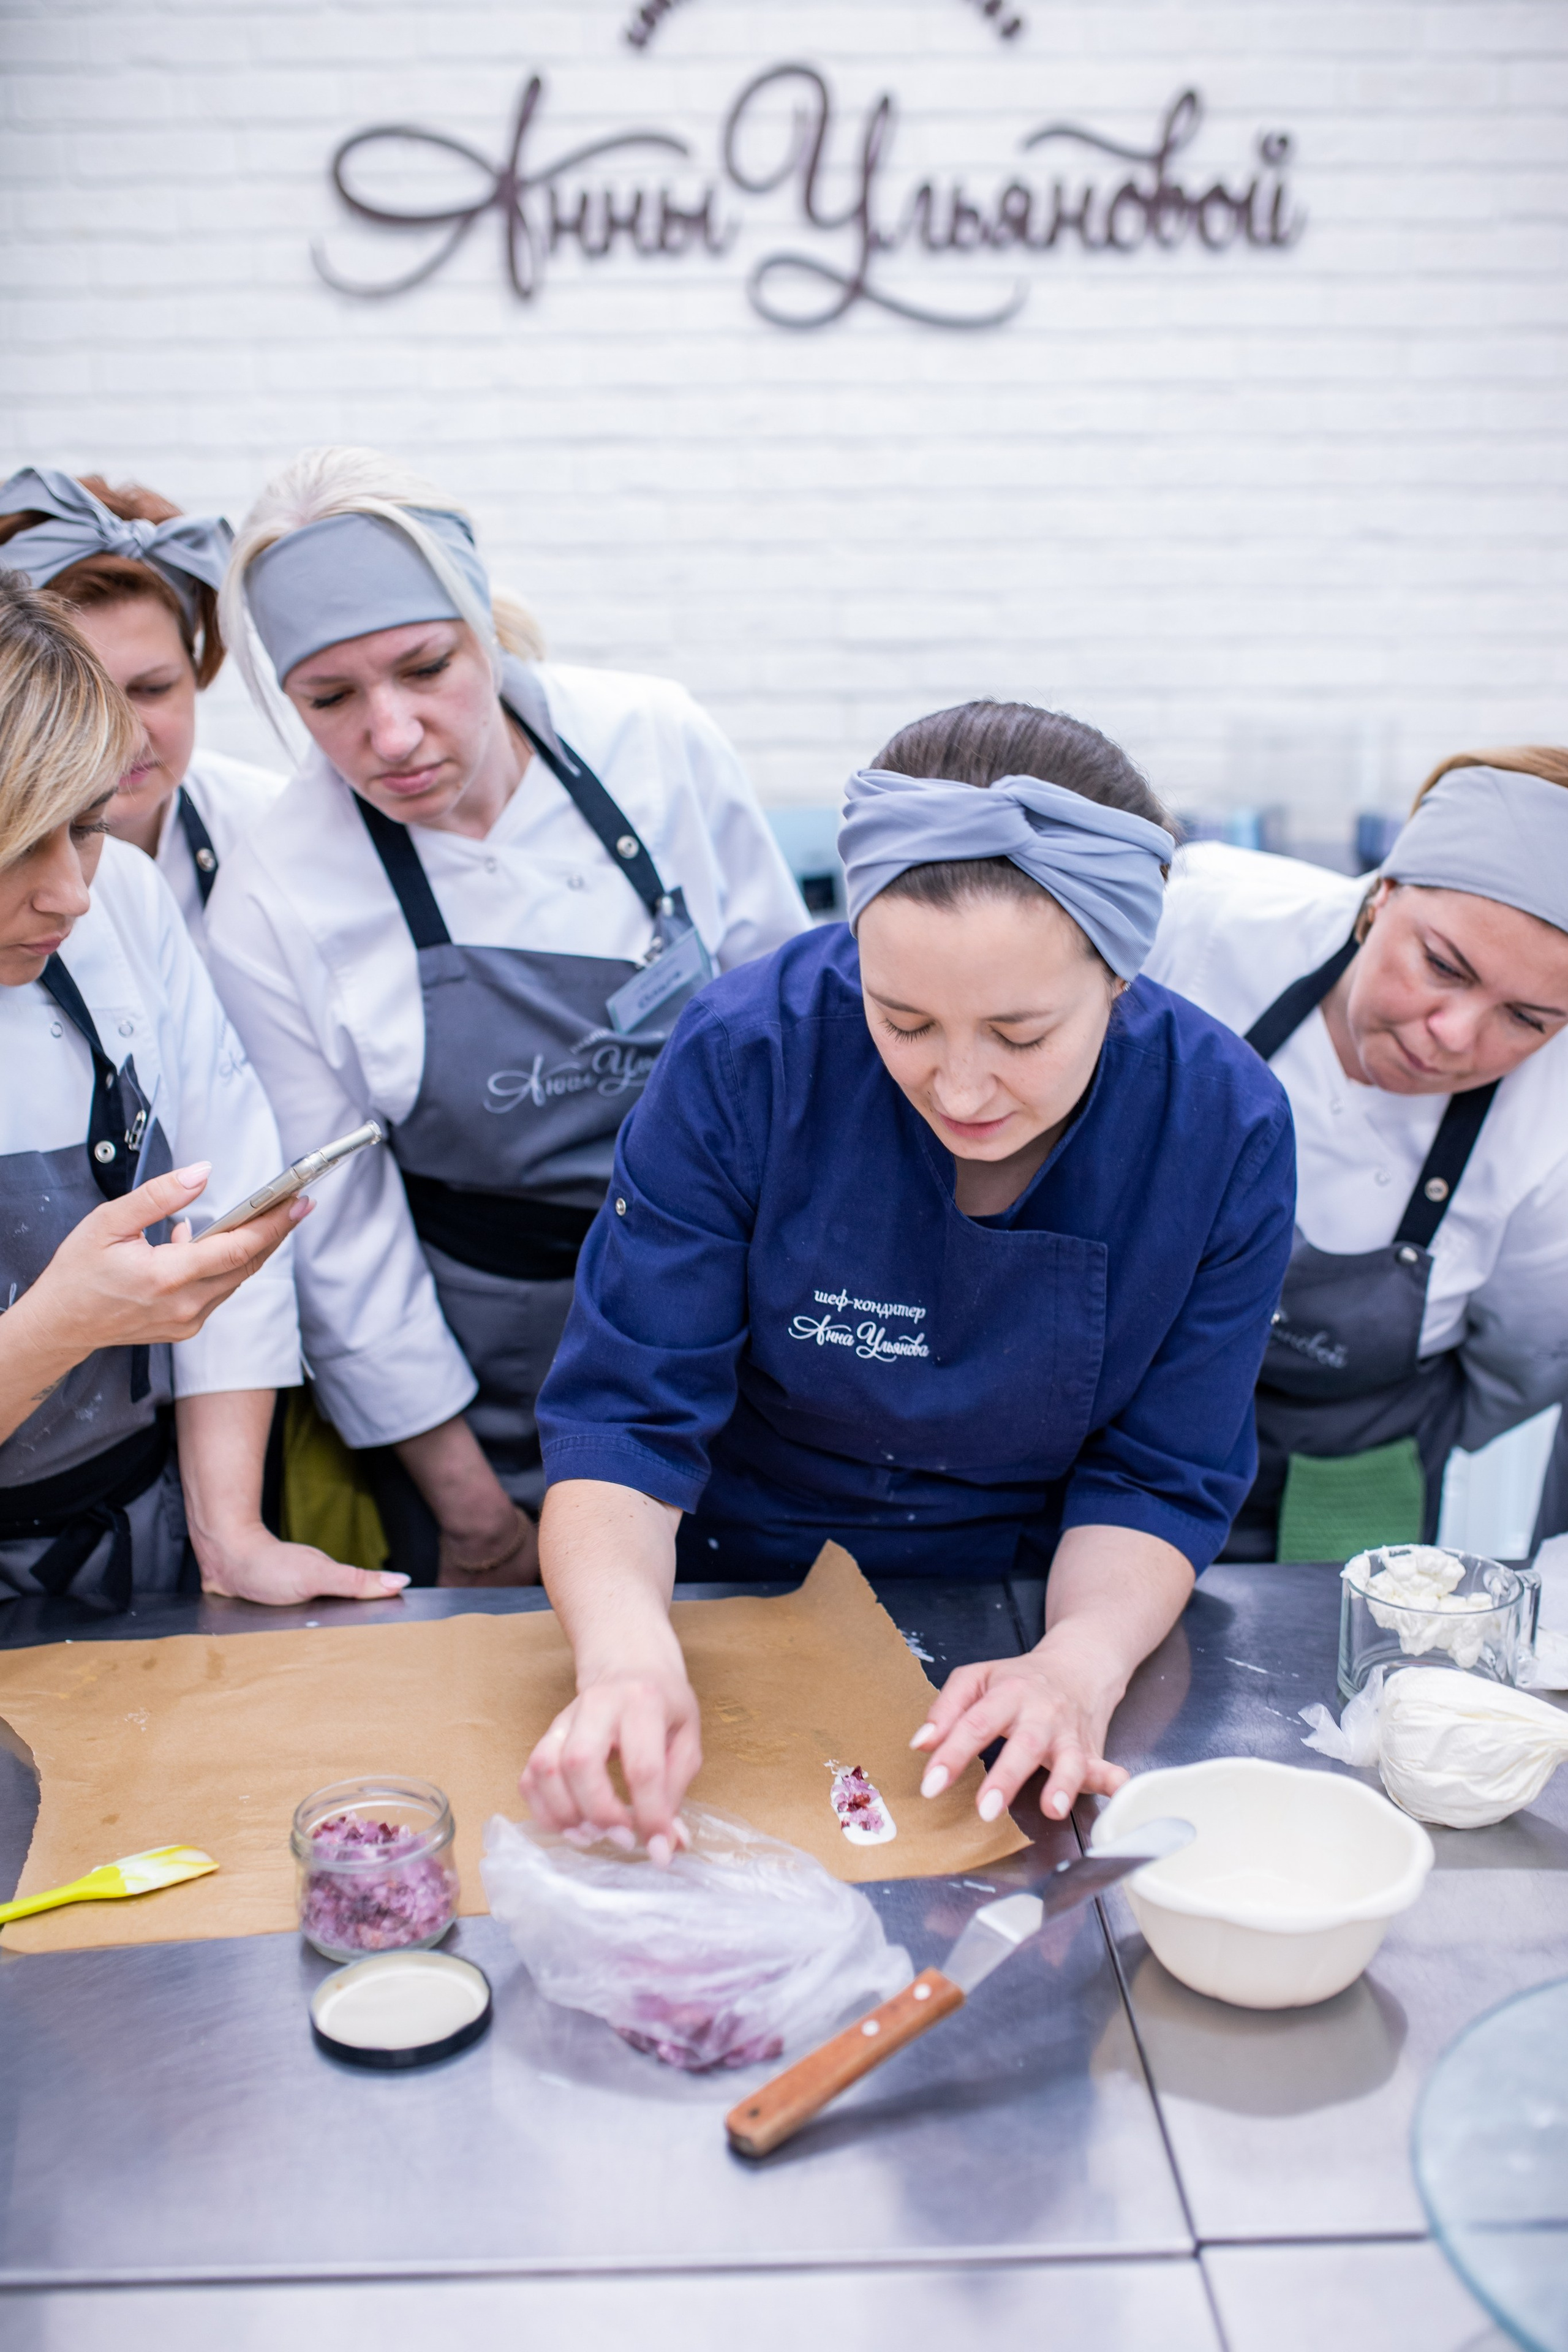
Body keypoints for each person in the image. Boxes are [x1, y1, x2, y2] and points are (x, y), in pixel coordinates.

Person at [518, 700, 1297, 1855]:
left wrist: (1074, 1667)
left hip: (1030, 1601)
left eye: (1021, 1037)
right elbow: (627, 1418)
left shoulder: (1220, 1128)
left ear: (1120, 978)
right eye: (903, 1021)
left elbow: (1159, 1473)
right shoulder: (746, 1058)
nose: (962, 1089)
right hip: (730, 1582)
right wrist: (627, 1655)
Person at [208, 447, 811, 1589]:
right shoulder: (275, 893)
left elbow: (792, 1027)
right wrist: (474, 1512)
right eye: (330, 699)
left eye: (426, 667)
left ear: (486, 629)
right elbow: (342, 1234)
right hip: (494, 1381)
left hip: (740, 1310)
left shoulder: (655, 740)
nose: (392, 735)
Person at [0, 569, 407, 1611]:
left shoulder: (128, 905)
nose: (70, 895)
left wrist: (230, 1534)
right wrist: (57, 1327)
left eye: (85, 827)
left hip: (137, 1524)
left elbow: (222, 1219)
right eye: (18, 842)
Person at [1142, 750, 1568, 1563]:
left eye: (1526, 1019)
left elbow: (1518, 1369)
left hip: (1339, 1481)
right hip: (1114, 1419)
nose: (1455, 1035)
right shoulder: (1202, 922)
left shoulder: (1554, 1132)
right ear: (1380, 896)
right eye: (1441, 966)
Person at [0, 469, 282, 960]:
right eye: (84, 698)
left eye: (153, 689)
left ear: (196, 672)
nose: (127, 738)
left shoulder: (274, 827)